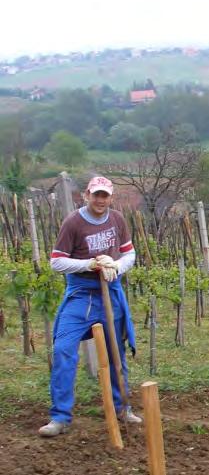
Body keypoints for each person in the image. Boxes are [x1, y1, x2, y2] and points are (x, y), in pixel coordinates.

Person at [39, 176, 139, 437]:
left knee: (117, 352)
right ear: (87, 195)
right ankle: (60, 417)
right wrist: (90, 265)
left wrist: (116, 266)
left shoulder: (117, 219)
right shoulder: (73, 222)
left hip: (110, 293)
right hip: (81, 294)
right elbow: (56, 262)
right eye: (96, 194)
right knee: (63, 349)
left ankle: (123, 408)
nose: (100, 200)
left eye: (105, 195)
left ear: (111, 197)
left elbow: (130, 253)